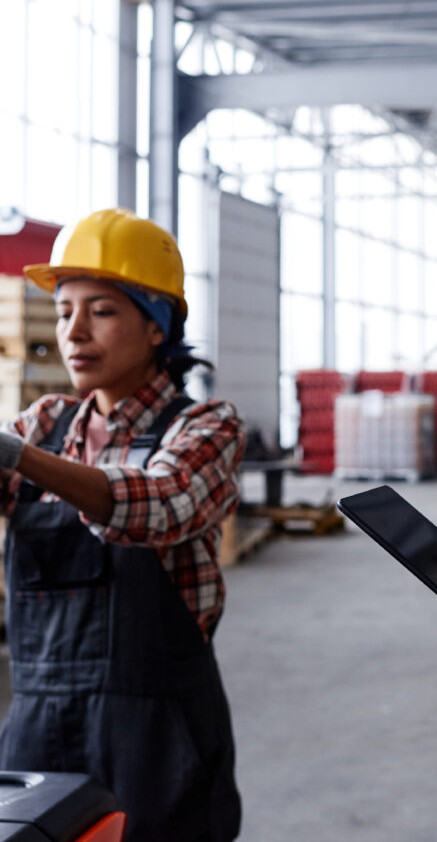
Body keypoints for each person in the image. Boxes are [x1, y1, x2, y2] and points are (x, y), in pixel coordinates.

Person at [0, 208, 244, 842]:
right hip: (37, 730)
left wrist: (19, 458)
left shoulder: (204, 427)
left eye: (101, 311)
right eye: (63, 312)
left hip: (159, 742)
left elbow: (161, 502)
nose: (73, 332)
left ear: (157, 325)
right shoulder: (43, 423)